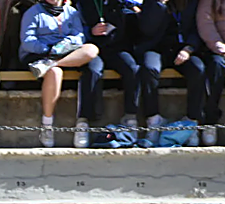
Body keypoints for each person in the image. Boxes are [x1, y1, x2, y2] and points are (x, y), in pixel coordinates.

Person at [18, 0, 101, 147]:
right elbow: (28, 41)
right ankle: (47, 125)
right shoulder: (32, 12)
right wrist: (48, 50)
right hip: (39, 52)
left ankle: (83, 124)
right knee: (55, 73)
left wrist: (64, 45)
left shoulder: (72, 12)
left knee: (91, 50)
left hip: (64, 53)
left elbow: (79, 36)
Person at [135, 0, 206, 143]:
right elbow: (147, 29)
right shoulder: (153, 3)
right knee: (149, 69)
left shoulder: (194, 3)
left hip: (183, 49)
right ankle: (153, 120)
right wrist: (159, 4)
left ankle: (191, 121)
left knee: (198, 69)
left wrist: (189, 49)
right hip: (157, 48)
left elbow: (198, 28)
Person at [77, 0, 140, 135]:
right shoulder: (79, 3)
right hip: (91, 48)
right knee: (93, 71)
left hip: (116, 48)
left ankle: (131, 116)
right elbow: (72, 27)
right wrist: (89, 31)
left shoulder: (120, 3)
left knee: (132, 69)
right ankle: (84, 122)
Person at [196, 0, 224, 144]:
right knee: (216, 67)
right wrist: (219, 46)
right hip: (218, 51)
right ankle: (210, 122)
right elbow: (205, 24)